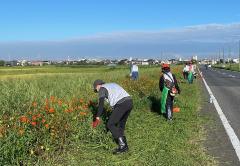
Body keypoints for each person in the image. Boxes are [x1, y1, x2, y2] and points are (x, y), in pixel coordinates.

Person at [92, 79, 133, 154]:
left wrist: (97, 117)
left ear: (97, 86)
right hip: (129, 102)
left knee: (110, 124)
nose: (97, 92)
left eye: (96, 90)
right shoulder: (112, 84)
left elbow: (101, 104)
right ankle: (124, 147)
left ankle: (123, 146)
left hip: (121, 104)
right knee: (121, 125)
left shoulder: (102, 89)